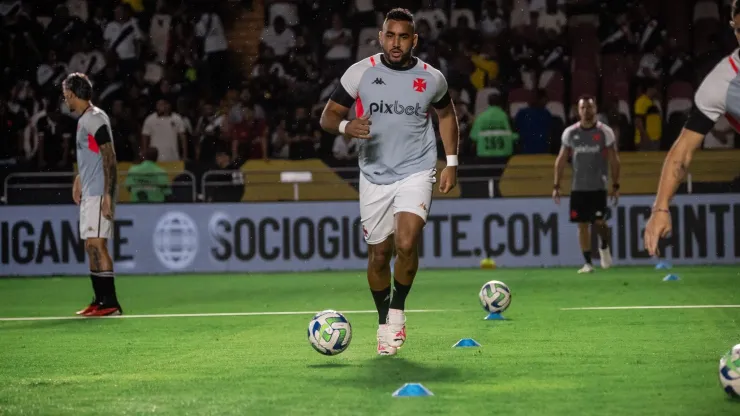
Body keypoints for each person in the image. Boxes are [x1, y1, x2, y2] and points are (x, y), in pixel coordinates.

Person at [319, 8, 459, 356]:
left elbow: (446, 115)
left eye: (404, 36)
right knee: (380, 254)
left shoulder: (432, 78)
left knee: (407, 242)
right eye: (390, 35)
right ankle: (383, 320)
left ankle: (397, 313)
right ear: (381, 37)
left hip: (417, 169)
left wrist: (451, 162)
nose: (396, 43)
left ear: (415, 39)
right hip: (374, 175)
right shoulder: (360, 73)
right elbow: (328, 116)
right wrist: (345, 127)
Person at [645, 0, 740, 255]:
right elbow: (683, 151)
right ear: (734, 29)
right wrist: (661, 208)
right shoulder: (721, 84)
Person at [62, 73, 123, 316]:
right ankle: (99, 300)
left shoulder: (95, 118)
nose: (65, 99)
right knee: (90, 245)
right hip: (90, 189)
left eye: (66, 95)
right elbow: (93, 153)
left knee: (98, 244)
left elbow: (109, 156)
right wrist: (79, 178)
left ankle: (110, 303)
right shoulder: (86, 119)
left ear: (74, 95)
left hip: (99, 191)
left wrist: (107, 194)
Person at [553, 95, 621, 273]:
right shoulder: (570, 133)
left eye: (589, 107)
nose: (586, 111)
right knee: (582, 224)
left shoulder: (604, 132)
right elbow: (561, 159)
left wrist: (616, 186)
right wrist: (556, 185)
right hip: (578, 187)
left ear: (595, 109)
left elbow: (614, 160)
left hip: (598, 186)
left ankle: (604, 246)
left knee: (599, 222)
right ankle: (588, 263)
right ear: (578, 110)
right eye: (583, 108)